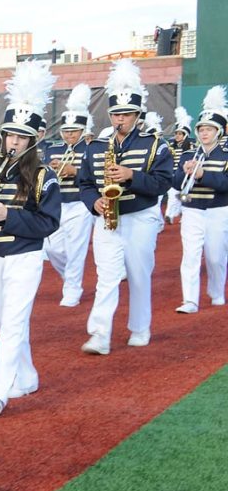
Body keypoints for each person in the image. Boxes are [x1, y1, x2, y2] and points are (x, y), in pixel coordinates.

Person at [0, 61, 62, 417]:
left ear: (33, 139)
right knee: (4, 322)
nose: (13, 142)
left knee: (11, 325)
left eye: (21, 137)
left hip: (24, 256)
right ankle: (26, 376)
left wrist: (8, 216)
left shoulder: (44, 176)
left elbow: (48, 223)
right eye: (10, 135)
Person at [78, 60, 174, 354]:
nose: (120, 119)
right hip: (106, 217)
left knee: (138, 273)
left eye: (126, 114)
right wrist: (93, 201)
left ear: (137, 115)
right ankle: (100, 334)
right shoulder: (95, 146)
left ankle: (140, 327)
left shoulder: (155, 144)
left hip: (140, 216)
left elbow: (163, 183)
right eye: (116, 113)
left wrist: (132, 176)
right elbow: (84, 183)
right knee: (106, 277)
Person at [173, 87, 228, 313]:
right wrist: (184, 173)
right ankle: (190, 300)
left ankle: (216, 291)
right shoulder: (188, 155)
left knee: (215, 257)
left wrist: (203, 174)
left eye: (209, 129)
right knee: (190, 255)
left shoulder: (226, 155)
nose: (204, 133)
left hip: (219, 210)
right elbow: (176, 183)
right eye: (201, 129)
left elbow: (226, 185)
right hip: (192, 210)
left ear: (219, 132)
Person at [41, 84, 94, 306]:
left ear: (83, 130)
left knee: (76, 248)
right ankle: (69, 279)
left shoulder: (91, 149)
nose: (70, 134)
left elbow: (97, 176)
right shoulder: (52, 149)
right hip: (58, 204)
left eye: (74, 130)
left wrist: (75, 172)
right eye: (66, 130)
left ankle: (72, 288)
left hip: (81, 203)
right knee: (53, 248)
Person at [165, 107, 195, 223]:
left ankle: (184, 214)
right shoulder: (171, 147)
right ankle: (170, 215)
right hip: (174, 175)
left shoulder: (192, 146)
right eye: (176, 133)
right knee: (173, 195)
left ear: (185, 135)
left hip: (187, 175)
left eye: (180, 134)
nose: (177, 136)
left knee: (184, 196)